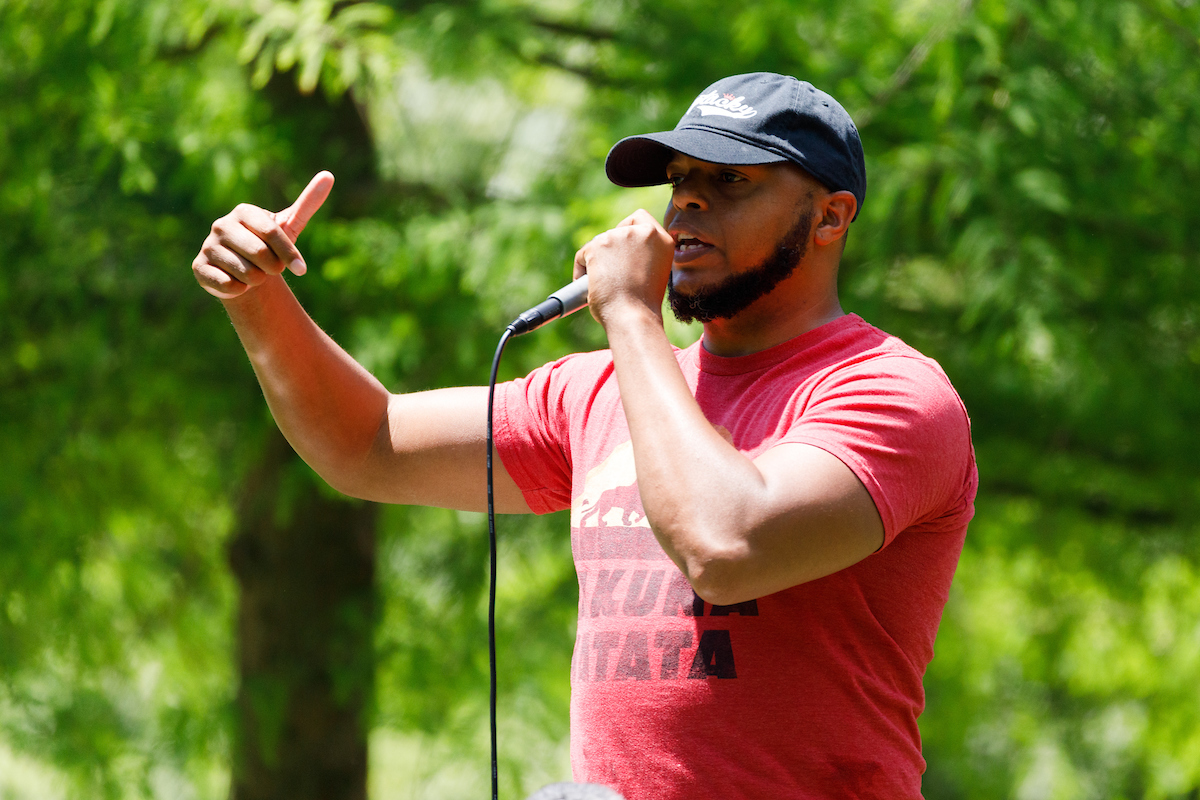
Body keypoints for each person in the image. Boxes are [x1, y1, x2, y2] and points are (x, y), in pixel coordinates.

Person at [192, 72, 977, 799]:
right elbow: (365, 443)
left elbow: (726, 548)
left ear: (831, 216)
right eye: (679, 182)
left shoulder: (889, 392)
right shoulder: (599, 395)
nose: (685, 208)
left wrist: (631, 314)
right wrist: (256, 299)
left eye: (730, 181)